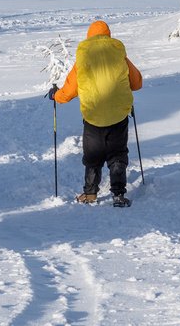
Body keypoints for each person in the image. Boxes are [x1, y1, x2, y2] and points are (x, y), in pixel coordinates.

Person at [47, 19, 143, 206]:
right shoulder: (118, 52)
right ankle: (118, 195)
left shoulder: (83, 55)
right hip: (118, 116)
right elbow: (137, 82)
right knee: (117, 154)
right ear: (108, 35)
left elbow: (69, 91)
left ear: (89, 36)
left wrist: (55, 96)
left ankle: (90, 194)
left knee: (93, 156)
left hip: (93, 117)